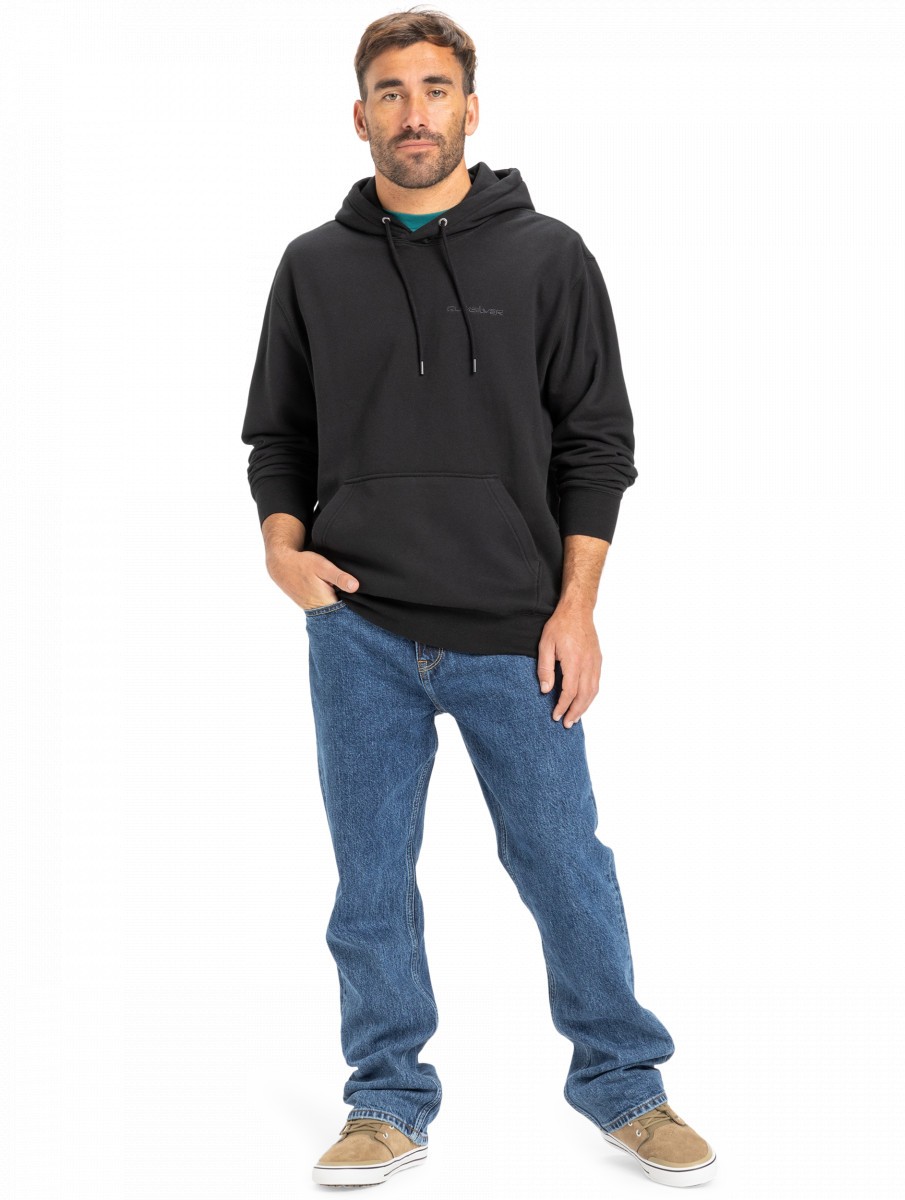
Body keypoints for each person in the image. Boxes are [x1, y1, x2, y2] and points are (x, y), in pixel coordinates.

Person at [240, 7, 716, 1190]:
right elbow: (278, 436)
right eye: (392, 92)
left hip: (515, 627)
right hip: (358, 627)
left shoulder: (548, 256)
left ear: (471, 107)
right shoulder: (312, 267)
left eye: (436, 89)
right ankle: (385, 1099)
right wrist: (282, 550)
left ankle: (625, 1084)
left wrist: (577, 607)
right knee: (370, 881)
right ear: (360, 117)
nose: (415, 113)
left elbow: (598, 443)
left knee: (564, 865)